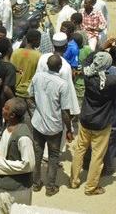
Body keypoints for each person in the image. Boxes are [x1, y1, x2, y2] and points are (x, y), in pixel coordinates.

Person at [70, 41, 116, 196]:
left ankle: (74, 181)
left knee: (80, 149)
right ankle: (91, 187)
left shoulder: (88, 75)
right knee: (97, 155)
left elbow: (87, 60)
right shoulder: (111, 81)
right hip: (102, 123)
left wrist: (101, 48)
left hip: (86, 119)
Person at [29, 54, 73, 196]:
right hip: (54, 128)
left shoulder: (37, 77)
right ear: (60, 67)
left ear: (47, 65)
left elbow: (29, 96)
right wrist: (69, 129)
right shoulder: (63, 85)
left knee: (37, 154)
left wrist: (39, 109)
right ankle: (50, 187)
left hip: (38, 124)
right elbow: (65, 111)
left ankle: (36, 184)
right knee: (53, 157)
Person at [0, 98, 35, 210]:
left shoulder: (23, 137)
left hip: (16, 191)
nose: (2, 109)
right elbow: (9, 148)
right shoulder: (9, 127)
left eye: (6, 108)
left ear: (12, 115)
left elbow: (29, 164)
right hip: (3, 185)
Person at [10, 29, 42, 121]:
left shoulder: (16, 52)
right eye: (39, 39)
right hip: (29, 94)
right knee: (33, 119)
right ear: (35, 41)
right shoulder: (39, 56)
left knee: (15, 118)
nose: (40, 42)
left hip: (15, 92)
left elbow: (12, 71)